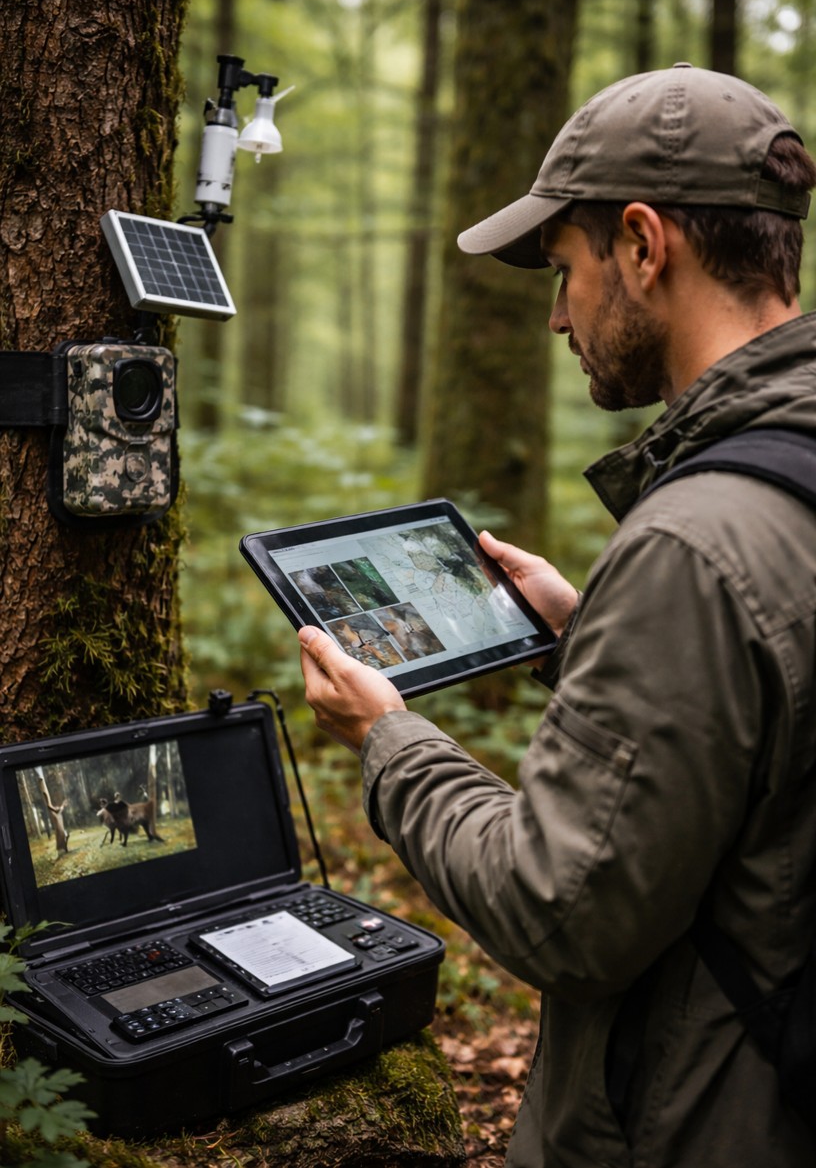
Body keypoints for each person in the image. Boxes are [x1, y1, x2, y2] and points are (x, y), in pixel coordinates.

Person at [298, 63, 816, 1166]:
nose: (554, 315)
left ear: (641, 243)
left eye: (564, 267)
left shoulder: (696, 542)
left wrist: (389, 738)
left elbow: (561, 911)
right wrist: (591, 632)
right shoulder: (786, 483)